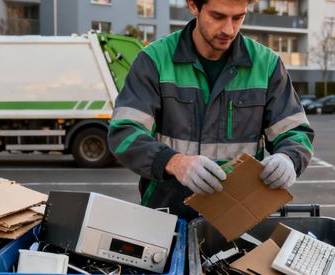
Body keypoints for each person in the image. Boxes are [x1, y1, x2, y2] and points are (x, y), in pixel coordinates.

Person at [108, 0, 314, 220]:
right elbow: (125, 133)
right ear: (193, 6)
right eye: (218, 16)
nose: (229, 29)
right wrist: (174, 162)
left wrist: (288, 158)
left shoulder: (267, 65)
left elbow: (295, 131)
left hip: (239, 218)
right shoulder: (155, 60)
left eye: (238, 17)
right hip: (167, 215)